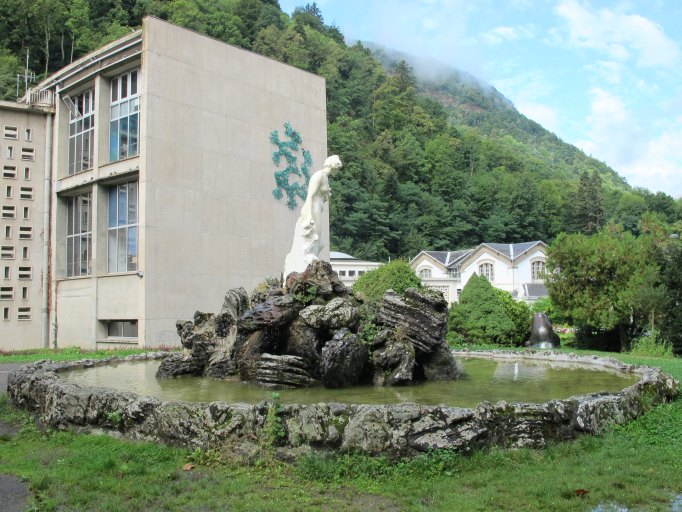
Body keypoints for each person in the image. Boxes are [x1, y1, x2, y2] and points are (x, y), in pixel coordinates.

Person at [283, 155, 342, 277]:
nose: (338, 171)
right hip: (313, 209)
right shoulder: (319, 175)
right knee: (315, 239)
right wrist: (308, 215)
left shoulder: (325, 177)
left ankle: (311, 265)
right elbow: (310, 195)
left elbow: (320, 196)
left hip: (318, 209)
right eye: (338, 168)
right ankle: (307, 263)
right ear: (333, 166)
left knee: (320, 242)